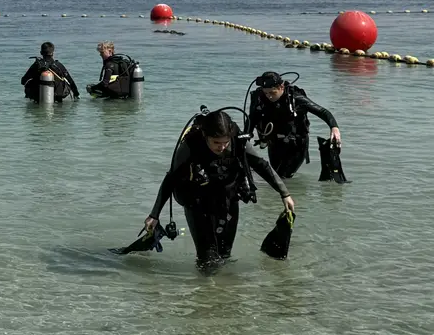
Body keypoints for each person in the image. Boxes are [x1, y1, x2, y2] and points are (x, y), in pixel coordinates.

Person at [144, 108, 296, 273]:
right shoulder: (191, 144)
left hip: (228, 199)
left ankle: (223, 295)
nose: (222, 147)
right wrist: (154, 214)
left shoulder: (238, 140)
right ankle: (205, 291)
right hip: (197, 202)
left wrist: (284, 193)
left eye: (225, 142)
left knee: (224, 254)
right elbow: (170, 179)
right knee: (207, 259)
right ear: (205, 136)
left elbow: (261, 165)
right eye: (216, 143)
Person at [248, 71, 341, 178]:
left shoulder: (295, 99)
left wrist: (334, 128)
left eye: (272, 93)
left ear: (281, 87)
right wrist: (245, 138)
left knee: (283, 176)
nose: (269, 96)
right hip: (274, 142)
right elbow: (252, 119)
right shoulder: (260, 98)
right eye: (266, 93)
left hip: (297, 144)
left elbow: (323, 112)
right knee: (276, 175)